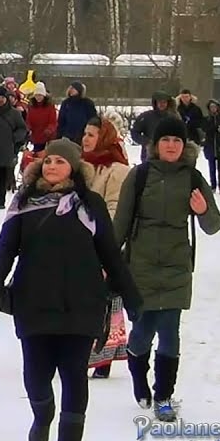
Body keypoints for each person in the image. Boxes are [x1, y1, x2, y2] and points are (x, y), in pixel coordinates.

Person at [0, 140, 141, 441]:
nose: (52, 166)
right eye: (48, 160)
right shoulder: (25, 202)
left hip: (81, 303)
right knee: (35, 374)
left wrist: (131, 294)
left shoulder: (89, 203)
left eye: (60, 161)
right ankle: (42, 415)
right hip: (33, 301)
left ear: (74, 168)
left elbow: (109, 253)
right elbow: (5, 248)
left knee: (73, 373)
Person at [113, 115, 220, 421]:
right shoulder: (140, 175)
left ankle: (164, 396)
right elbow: (120, 223)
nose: (171, 145)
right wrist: (106, 262)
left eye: (177, 140)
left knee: (170, 333)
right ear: (155, 145)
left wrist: (202, 211)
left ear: (184, 145)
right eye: (166, 140)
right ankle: (138, 376)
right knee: (142, 333)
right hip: (141, 265)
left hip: (176, 266)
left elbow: (214, 225)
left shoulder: (192, 177)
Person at [81, 115, 133, 379]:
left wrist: (104, 245)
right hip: (77, 243)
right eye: (85, 133)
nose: (86, 139)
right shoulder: (79, 166)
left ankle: (104, 356)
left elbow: (115, 209)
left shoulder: (116, 170)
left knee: (105, 300)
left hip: (102, 244)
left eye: (92, 134)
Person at [129, 91, 173, 162]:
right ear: (155, 103)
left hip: (168, 155)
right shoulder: (146, 117)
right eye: (160, 102)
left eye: (164, 102)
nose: (162, 104)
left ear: (168, 103)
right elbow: (135, 132)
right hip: (149, 155)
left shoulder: (173, 118)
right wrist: (146, 142)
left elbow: (180, 136)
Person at [202, 100, 220, 193]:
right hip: (210, 146)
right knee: (211, 168)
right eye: (211, 107)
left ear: (218, 107)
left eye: (215, 106)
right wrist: (214, 128)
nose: (213, 109)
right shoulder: (206, 119)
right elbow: (205, 129)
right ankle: (213, 186)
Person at [25, 83, 58, 152]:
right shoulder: (31, 107)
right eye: (36, 95)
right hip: (36, 136)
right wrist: (28, 128)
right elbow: (28, 120)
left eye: (40, 95)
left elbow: (53, 121)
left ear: (44, 95)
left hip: (47, 136)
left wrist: (49, 130)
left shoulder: (50, 107)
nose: (38, 97)